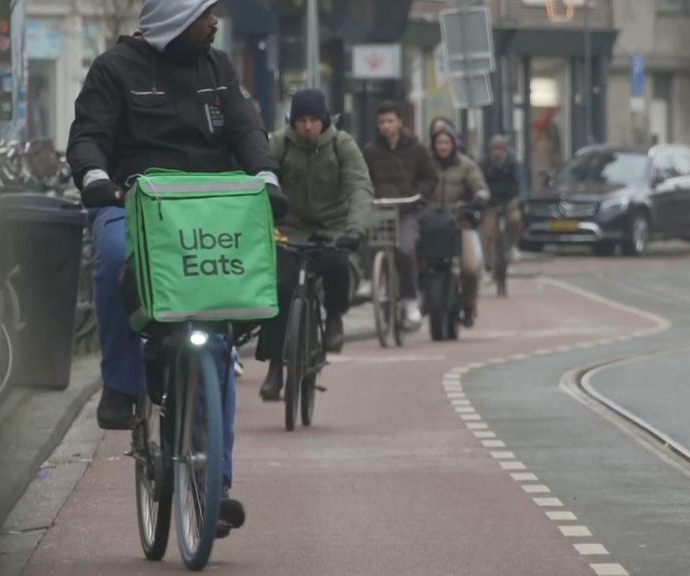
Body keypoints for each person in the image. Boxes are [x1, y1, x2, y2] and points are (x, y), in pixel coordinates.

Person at [66, 0, 287, 528]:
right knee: (117, 255)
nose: (214, 22)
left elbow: (245, 129)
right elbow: (89, 134)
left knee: (217, 342)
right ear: (176, 18)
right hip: (133, 203)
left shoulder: (217, 68)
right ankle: (121, 385)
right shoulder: (114, 69)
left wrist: (267, 174)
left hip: (206, 208)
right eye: (205, 14)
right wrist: (94, 174)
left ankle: (216, 482)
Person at [257, 89, 373, 400]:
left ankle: (334, 317)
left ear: (324, 121)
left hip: (333, 230)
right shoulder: (278, 144)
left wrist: (355, 229)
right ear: (292, 122)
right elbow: (258, 181)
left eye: (313, 120)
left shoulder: (342, 145)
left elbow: (360, 187)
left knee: (338, 266)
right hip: (289, 230)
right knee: (278, 288)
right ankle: (274, 368)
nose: (308, 127)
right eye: (301, 121)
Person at [363, 101, 438, 330]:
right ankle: (371, 279)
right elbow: (362, 178)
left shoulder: (416, 149)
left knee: (406, 249)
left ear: (400, 122)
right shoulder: (370, 150)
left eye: (390, 121)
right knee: (364, 238)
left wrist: (419, 195)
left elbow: (430, 177)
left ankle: (409, 300)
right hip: (380, 209)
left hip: (407, 210)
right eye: (381, 122)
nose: (385, 126)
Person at [429, 127, 489, 327]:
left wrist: (477, 200)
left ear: (454, 144)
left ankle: (468, 304)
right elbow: (416, 184)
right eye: (439, 143)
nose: (443, 147)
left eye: (447, 143)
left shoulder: (467, 165)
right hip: (432, 225)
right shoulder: (427, 164)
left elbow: (480, 188)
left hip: (460, 224)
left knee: (471, 268)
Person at [479, 135, 525, 273]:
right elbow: (479, 182)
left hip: (509, 200)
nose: (497, 152)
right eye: (494, 149)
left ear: (505, 150)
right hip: (490, 202)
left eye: (500, 149)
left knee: (515, 219)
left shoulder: (513, 163)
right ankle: (488, 261)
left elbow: (520, 182)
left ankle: (512, 246)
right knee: (488, 232)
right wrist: (481, 196)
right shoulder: (484, 164)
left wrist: (519, 197)